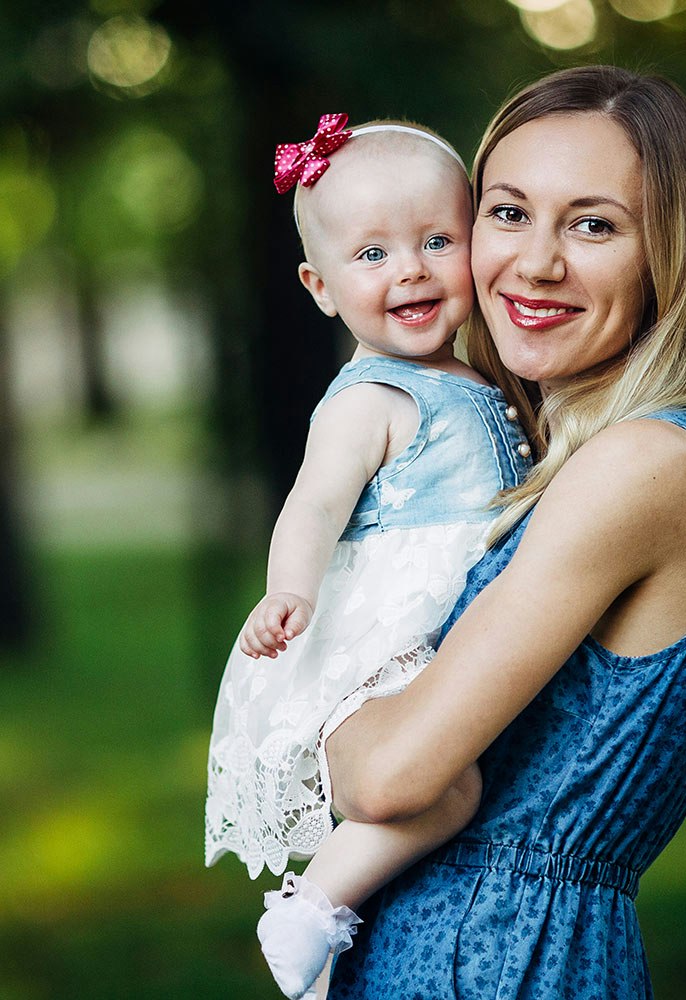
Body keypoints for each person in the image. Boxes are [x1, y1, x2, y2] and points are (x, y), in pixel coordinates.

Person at [320, 66, 686, 999]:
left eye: (594, 225)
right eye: (508, 214)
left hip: (504, 962)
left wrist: (309, 701)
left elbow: (390, 776)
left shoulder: (649, 463)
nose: (538, 263)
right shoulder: (553, 455)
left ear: (669, 256)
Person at [204, 113, 532, 999]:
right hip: (378, 652)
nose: (412, 270)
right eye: (373, 255)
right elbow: (311, 505)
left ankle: (331, 961)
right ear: (319, 284)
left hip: (449, 644)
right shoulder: (370, 398)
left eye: (437, 240)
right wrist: (289, 593)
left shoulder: (478, 377)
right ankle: (311, 906)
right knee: (447, 790)